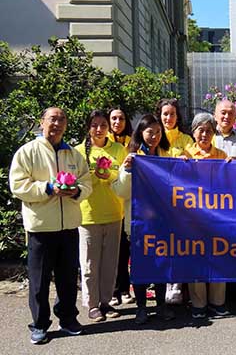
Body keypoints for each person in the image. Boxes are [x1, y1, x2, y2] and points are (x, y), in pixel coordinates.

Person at [9, 107, 92, 344]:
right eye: (52, 119)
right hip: (41, 228)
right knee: (39, 281)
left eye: (61, 120)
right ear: (42, 122)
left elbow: (86, 182)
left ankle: (67, 319)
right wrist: (47, 188)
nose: (57, 124)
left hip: (69, 227)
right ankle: (39, 324)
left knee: (67, 278)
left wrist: (77, 190)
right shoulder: (27, 152)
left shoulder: (73, 155)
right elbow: (18, 185)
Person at [113, 114, 184, 325]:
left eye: (158, 132)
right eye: (149, 132)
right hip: (138, 224)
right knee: (140, 266)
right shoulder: (132, 157)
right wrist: (126, 170)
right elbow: (121, 191)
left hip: (162, 222)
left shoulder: (165, 156)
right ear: (140, 133)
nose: (154, 136)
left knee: (161, 264)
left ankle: (161, 306)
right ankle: (142, 308)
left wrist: (183, 165)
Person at [75, 110, 128, 321]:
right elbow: (75, 180)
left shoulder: (118, 149)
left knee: (109, 263)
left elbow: (124, 178)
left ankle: (106, 301)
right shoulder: (78, 152)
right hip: (88, 215)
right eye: (95, 125)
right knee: (89, 265)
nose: (99, 129)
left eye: (103, 125)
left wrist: (109, 175)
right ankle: (92, 304)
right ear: (88, 127)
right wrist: (93, 177)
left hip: (115, 213)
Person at [184, 113, 231, 319]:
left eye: (209, 131)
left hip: (216, 216)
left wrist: (233, 168)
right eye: (200, 130)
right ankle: (198, 304)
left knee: (218, 257)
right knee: (196, 258)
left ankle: (217, 302)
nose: (204, 134)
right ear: (193, 132)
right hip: (193, 217)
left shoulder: (221, 155)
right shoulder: (185, 154)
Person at [156, 98, 193, 303]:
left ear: (177, 117)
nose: (168, 118)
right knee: (163, 243)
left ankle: (177, 286)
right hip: (159, 200)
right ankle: (163, 285)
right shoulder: (154, 138)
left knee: (179, 244)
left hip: (181, 201)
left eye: (172, 114)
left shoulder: (186, 140)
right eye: (165, 114)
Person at [107, 108, 135, 307]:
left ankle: (125, 288)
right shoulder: (104, 144)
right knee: (113, 253)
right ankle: (114, 290)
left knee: (125, 250)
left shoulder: (131, 143)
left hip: (127, 204)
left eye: (121, 118)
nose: (118, 122)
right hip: (108, 203)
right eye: (114, 119)